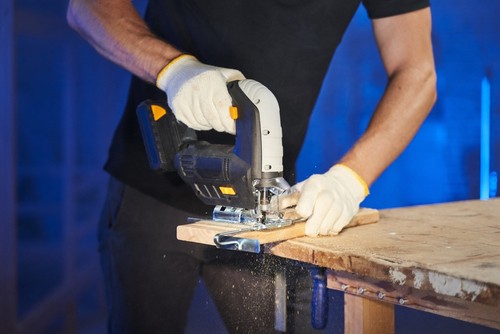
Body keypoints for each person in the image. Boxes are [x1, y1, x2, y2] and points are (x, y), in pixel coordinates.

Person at [67, 0, 437, 333]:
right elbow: (87, 7)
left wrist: (349, 178)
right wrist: (174, 69)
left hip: (266, 208)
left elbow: (417, 72)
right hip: (152, 189)